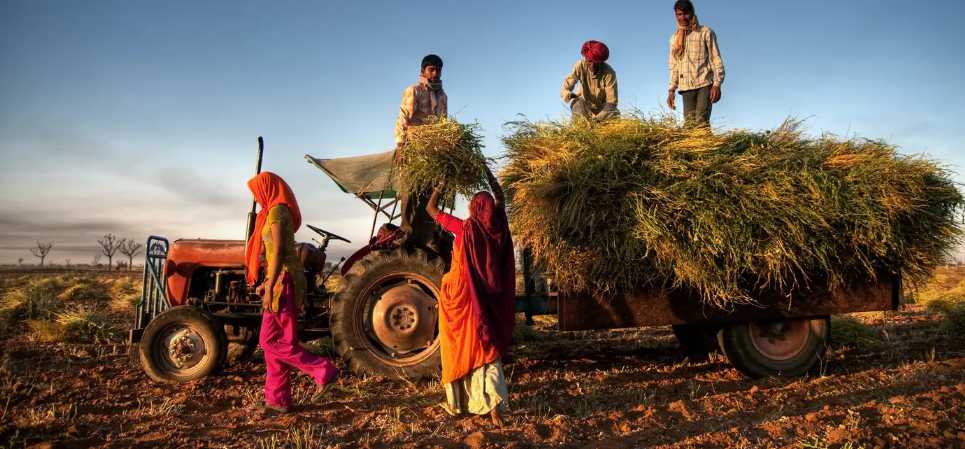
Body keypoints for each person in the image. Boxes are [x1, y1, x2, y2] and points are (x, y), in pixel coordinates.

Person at [426, 167, 515, 427]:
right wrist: (486, 172)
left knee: (461, 346)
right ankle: (494, 405)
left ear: (475, 208)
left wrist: (441, 183)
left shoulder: (464, 228)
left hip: (460, 297)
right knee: (486, 347)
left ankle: (463, 402)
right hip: (485, 300)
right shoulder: (498, 227)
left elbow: (431, 210)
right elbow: (500, 198)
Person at [245, 172, 338, 414]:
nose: (257, 197)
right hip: (281, 279)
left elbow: (277, 252)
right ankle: (278, 400)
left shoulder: (276, 212)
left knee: (267, 341)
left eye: (257, 192)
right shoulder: (277, 211)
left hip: (283, 283)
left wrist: (270, 286)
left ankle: (322, 369)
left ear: (267, 188)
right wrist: (266, 281)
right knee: (279, 344)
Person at [395, 54, 448, 249]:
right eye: (431, 69)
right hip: (413, 149)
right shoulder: (414, 91)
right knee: (410, 190)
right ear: (423, 71)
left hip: (432, 153)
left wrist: (444, 149)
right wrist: (401, 146)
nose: (435, 73)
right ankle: (406, 232)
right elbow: (402, 119)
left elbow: (444, 125)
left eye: (438, 70)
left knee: (429, 194)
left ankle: (426, 236)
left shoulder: (442, 96)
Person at [666, 0, 725, 127]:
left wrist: (717, 84)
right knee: (689, 125)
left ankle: (709, 146)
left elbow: (716, 59)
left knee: (701, 122)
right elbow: (674, 66)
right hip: (686, 87)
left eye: (686, 14)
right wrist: (671, 90)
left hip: (704, 84)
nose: (683, 18)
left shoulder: (705, 32)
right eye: (679, 14)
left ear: (692, 13)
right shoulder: (674, 39)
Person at [560, 40, 619, 121]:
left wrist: (596, 120)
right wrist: (567, 94)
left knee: (614, 112)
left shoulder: (610, 73)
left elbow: (611, 102)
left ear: (602, 62)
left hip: (603, 110)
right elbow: (566, 86)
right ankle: (580, 129)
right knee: (577, 104)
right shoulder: (580, 66)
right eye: (590, 61)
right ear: (586, 59)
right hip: (584, 106)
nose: (593, 66)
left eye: (596, 62)